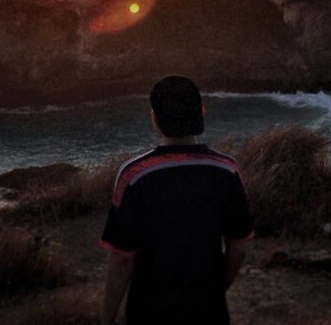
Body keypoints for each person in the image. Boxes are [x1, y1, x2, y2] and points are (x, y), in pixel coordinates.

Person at [100, 75, 253, 325]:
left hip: (149, 313)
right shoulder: (227, 170)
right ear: (202, 112)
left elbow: (122, 258)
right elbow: (238, 249)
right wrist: (213, 294)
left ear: (154, 119)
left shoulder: (134, 175)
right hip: (209, 314)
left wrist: (107, 318)